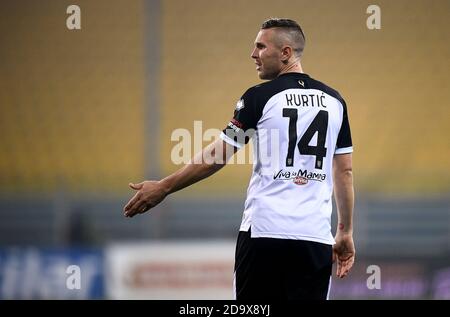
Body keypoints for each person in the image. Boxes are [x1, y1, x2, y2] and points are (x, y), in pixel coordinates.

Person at [123, 18, 355, 300]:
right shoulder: (335, 102)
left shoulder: (258, 97)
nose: (253, 54)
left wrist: (165, 186)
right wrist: (344, 231)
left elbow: (218, 155)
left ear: (285, 53)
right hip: (315, 240)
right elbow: (344, 172)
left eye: (260, 46)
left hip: (265, 235)